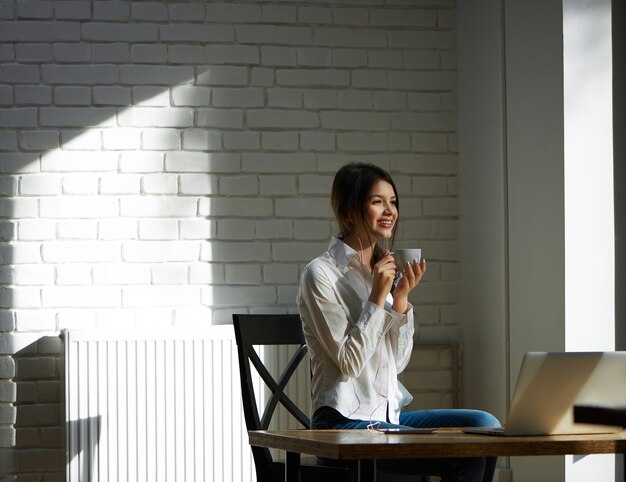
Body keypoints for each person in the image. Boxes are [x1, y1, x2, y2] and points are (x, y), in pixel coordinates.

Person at [297, 162, 500, 482]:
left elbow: (398, 362)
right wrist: (378, 299)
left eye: (393, 201)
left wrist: (401, 300)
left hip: (387, 419)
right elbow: (349, 363)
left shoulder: (380, 273)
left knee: (484, 425)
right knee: (465, 455)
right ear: (350, 211)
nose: (389, 210)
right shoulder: (320, 274)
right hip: (341, 423)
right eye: (377, 201)